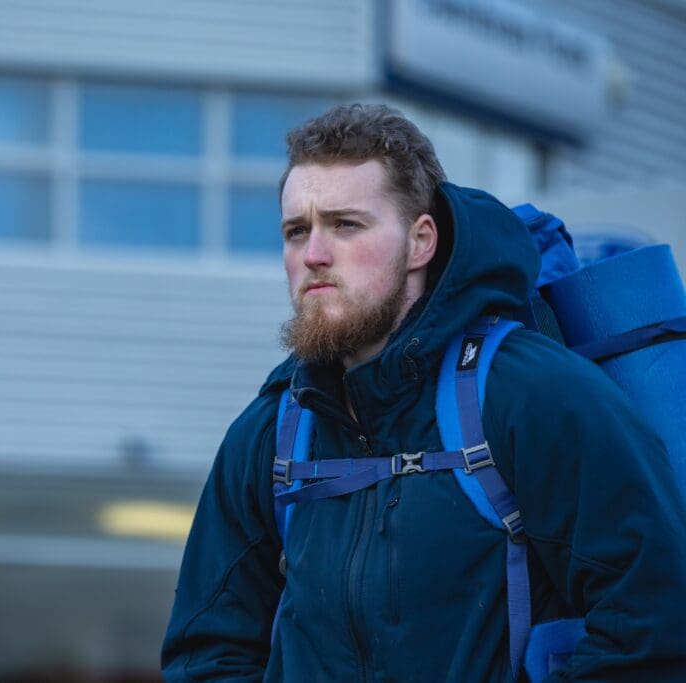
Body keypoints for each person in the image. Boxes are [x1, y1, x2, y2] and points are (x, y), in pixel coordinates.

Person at [161, 103, 686, 682]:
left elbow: (653, 625)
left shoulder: (532, 393)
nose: (312, 254)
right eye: (296, 231)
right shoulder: (272, 431)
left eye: (345, 225)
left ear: (421, 242)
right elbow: (206, 654)